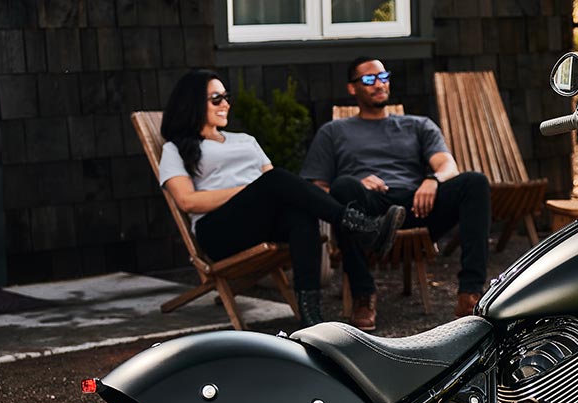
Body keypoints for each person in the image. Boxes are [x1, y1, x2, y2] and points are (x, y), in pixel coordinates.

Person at [157, 69, 404, 330]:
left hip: (257, 223)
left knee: (300, 215)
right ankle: (361, 227)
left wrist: (262, 189)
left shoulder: (244, 140)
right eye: (216, 99)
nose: (225, 104)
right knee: (275, 179)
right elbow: (187, 201)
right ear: (194, 102)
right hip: (219, 232)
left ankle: (310, 316)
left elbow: (281, 189)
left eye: (226, 97)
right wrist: (251, 189)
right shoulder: (175, 149)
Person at [301, 56, 492, 326]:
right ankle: (363, 295)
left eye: (383, 77)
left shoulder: (418, 125)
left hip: (416, 205)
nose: (379, 84)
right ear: (352, 88)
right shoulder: (333, 131)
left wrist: (433, 180)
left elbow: (448, 165)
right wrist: (358, 183)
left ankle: (469, 294)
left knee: (475, 182)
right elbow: (316, 189)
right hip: (368, 212)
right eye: (369, 79)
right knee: (343, 188)